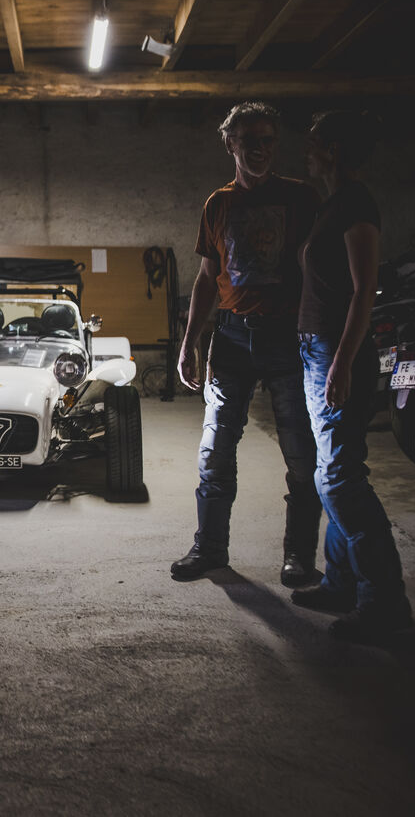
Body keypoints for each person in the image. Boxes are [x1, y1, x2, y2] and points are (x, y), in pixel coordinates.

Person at [171, 101, 323, 585]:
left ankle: (298, 556)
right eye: (249, 140)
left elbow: (322, 270)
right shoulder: (218, 204)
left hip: (288, 339)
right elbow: (206, 278)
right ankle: (210, 549)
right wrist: (190, 341)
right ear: (229, 143)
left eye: (267, 140)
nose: (259, 149)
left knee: (301, 455)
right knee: (215, 451)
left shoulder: (302, 198)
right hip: (232, 338)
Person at [289, 110, 412, 640]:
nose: (306, 151)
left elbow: (364, 291)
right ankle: (340, 582)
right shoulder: (334, 204)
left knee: (340, 477)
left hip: (336, 354)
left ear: (334, 150)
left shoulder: (357, 204)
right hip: (317, 349)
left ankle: (384, 602)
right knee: (330, 470)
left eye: (313, 142)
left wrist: (340, 360)